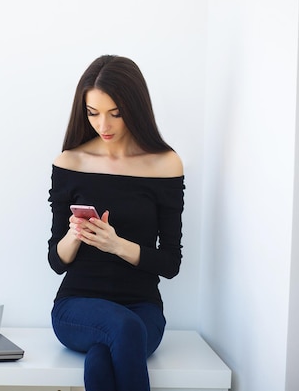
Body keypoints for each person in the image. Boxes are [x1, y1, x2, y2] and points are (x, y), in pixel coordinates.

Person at [47, 55, 185, 391]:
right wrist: (75, 235)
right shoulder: (70, 162)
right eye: (93, 113)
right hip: (76, 307)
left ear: (134, 108)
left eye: (115, 113)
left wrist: (117, 245)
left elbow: (170, 264)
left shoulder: (165, 164)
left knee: (101, 356)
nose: (103, 125)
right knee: (122, 328)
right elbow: (56, 261)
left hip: (142, 310)